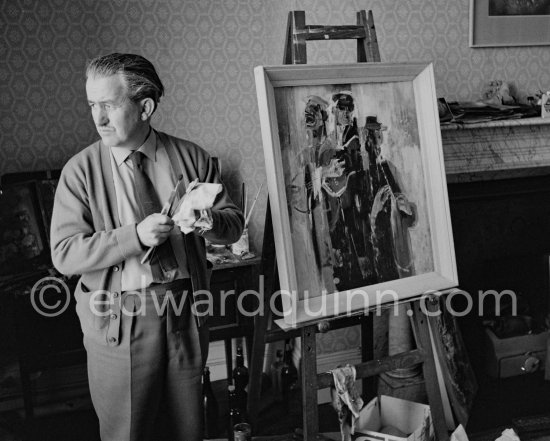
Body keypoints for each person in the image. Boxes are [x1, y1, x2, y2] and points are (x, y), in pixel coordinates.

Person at [50, 53, 244, 441]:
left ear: (146, 108)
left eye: (108, 105)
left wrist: (205, 222)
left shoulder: (193, 158)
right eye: (92, 105)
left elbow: (233, 224)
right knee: (128, 433)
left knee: (188, 429)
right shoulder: (80, 171)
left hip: (185, 313)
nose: (98, 118)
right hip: (119, 321)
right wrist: (134, 238)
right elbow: (65, 253)